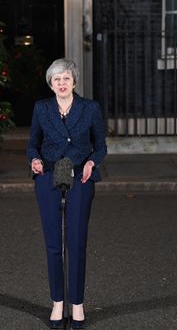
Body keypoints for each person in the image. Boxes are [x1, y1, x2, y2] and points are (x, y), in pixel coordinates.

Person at [27, 58, 107, 329]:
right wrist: (34, 160)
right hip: (49, 175)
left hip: (79, 175)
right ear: (51, 84)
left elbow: (101, 146)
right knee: (53, 244)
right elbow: (32, 145)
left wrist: (91, 162)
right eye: (56, 79)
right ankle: (57, 303)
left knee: (76, 242)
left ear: (74, 81)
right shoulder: (41, 109)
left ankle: (77, 304)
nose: (61, 83)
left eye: (66, 79)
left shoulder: (90, 108)